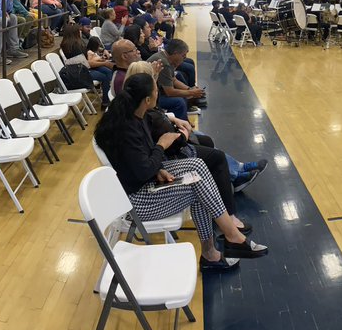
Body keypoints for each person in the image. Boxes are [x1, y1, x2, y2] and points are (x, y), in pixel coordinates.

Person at [94, 73, 267, 270]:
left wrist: (159, 168)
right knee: (199, 188)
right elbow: (142, 170)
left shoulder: (134, 115)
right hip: (138, 202)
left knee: (198, 167)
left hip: (146, 182)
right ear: (147, 99)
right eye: (156, 90)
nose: (159, 93)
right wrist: (161, 145)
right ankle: (225, 241)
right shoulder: (128, 128)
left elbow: (138, 161)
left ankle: (220, 245)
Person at [147, 38, 206, 121]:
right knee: (179, 101)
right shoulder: (164, 63)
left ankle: (183, 119)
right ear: (175, 53)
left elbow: (174, 80)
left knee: (181, 85)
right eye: (183, 56)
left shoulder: (165, 57)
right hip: (149, 97)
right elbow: (170, 92)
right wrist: (191, 93)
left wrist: (189, 89)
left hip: (155, 92)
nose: (184, 58)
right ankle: (180, 124)